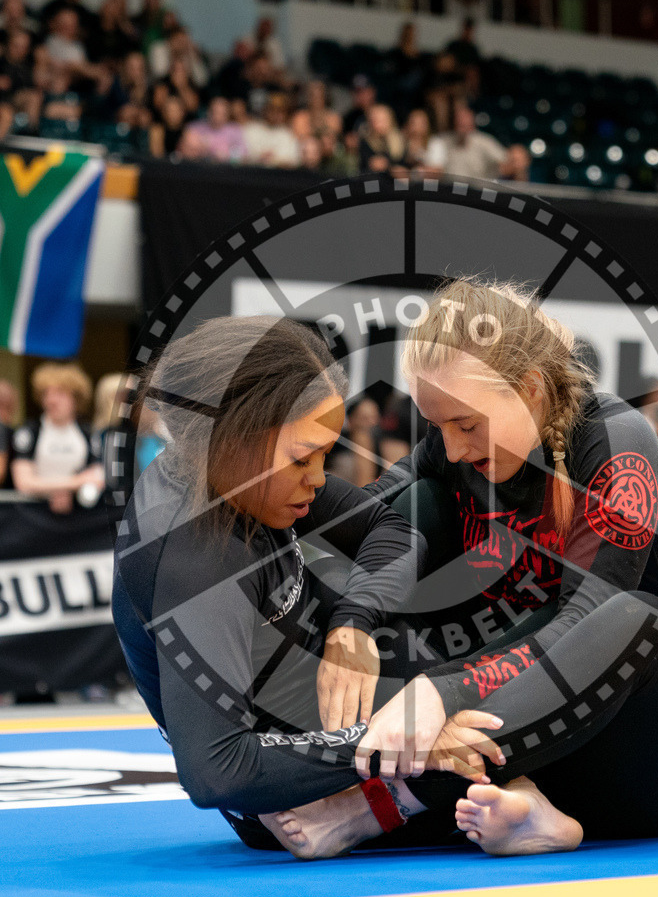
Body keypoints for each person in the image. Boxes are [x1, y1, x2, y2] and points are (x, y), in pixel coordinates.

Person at [266, 278, 658, 859]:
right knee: (412, 532)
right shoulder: (451, 451)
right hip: (495, 753)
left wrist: (442, 691)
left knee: (637, 618)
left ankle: (387, 802)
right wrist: (276, 470)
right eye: (439, 426)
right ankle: (532, 809)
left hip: (631, 758)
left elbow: (589, 620)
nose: (450, 448)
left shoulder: (616, 445)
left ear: (528, 389)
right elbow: (373, 521)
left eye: (466, 426)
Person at [112, 317, 506, 857]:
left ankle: (498, 789)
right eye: (303, 458)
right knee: (509, 720)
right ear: (234, 439)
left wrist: (353, 622)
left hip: (337, 702)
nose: (319, 479)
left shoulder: (243, 475)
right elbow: (216, 771)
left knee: (427, 513)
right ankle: (400, 800)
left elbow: (391, 527)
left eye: (324, 455)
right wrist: (391, 744)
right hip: (286, 790)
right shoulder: (192, 558)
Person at [11, 362, 103, 514]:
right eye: (46, 393)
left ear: (76, 398)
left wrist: (67, 489)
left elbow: (97, 478)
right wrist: (75, 483)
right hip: (33, 515)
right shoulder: (30, 431)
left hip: (78, 516)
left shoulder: (87, 433)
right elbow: (24, 483)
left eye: (60, 393)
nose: (51, 400)